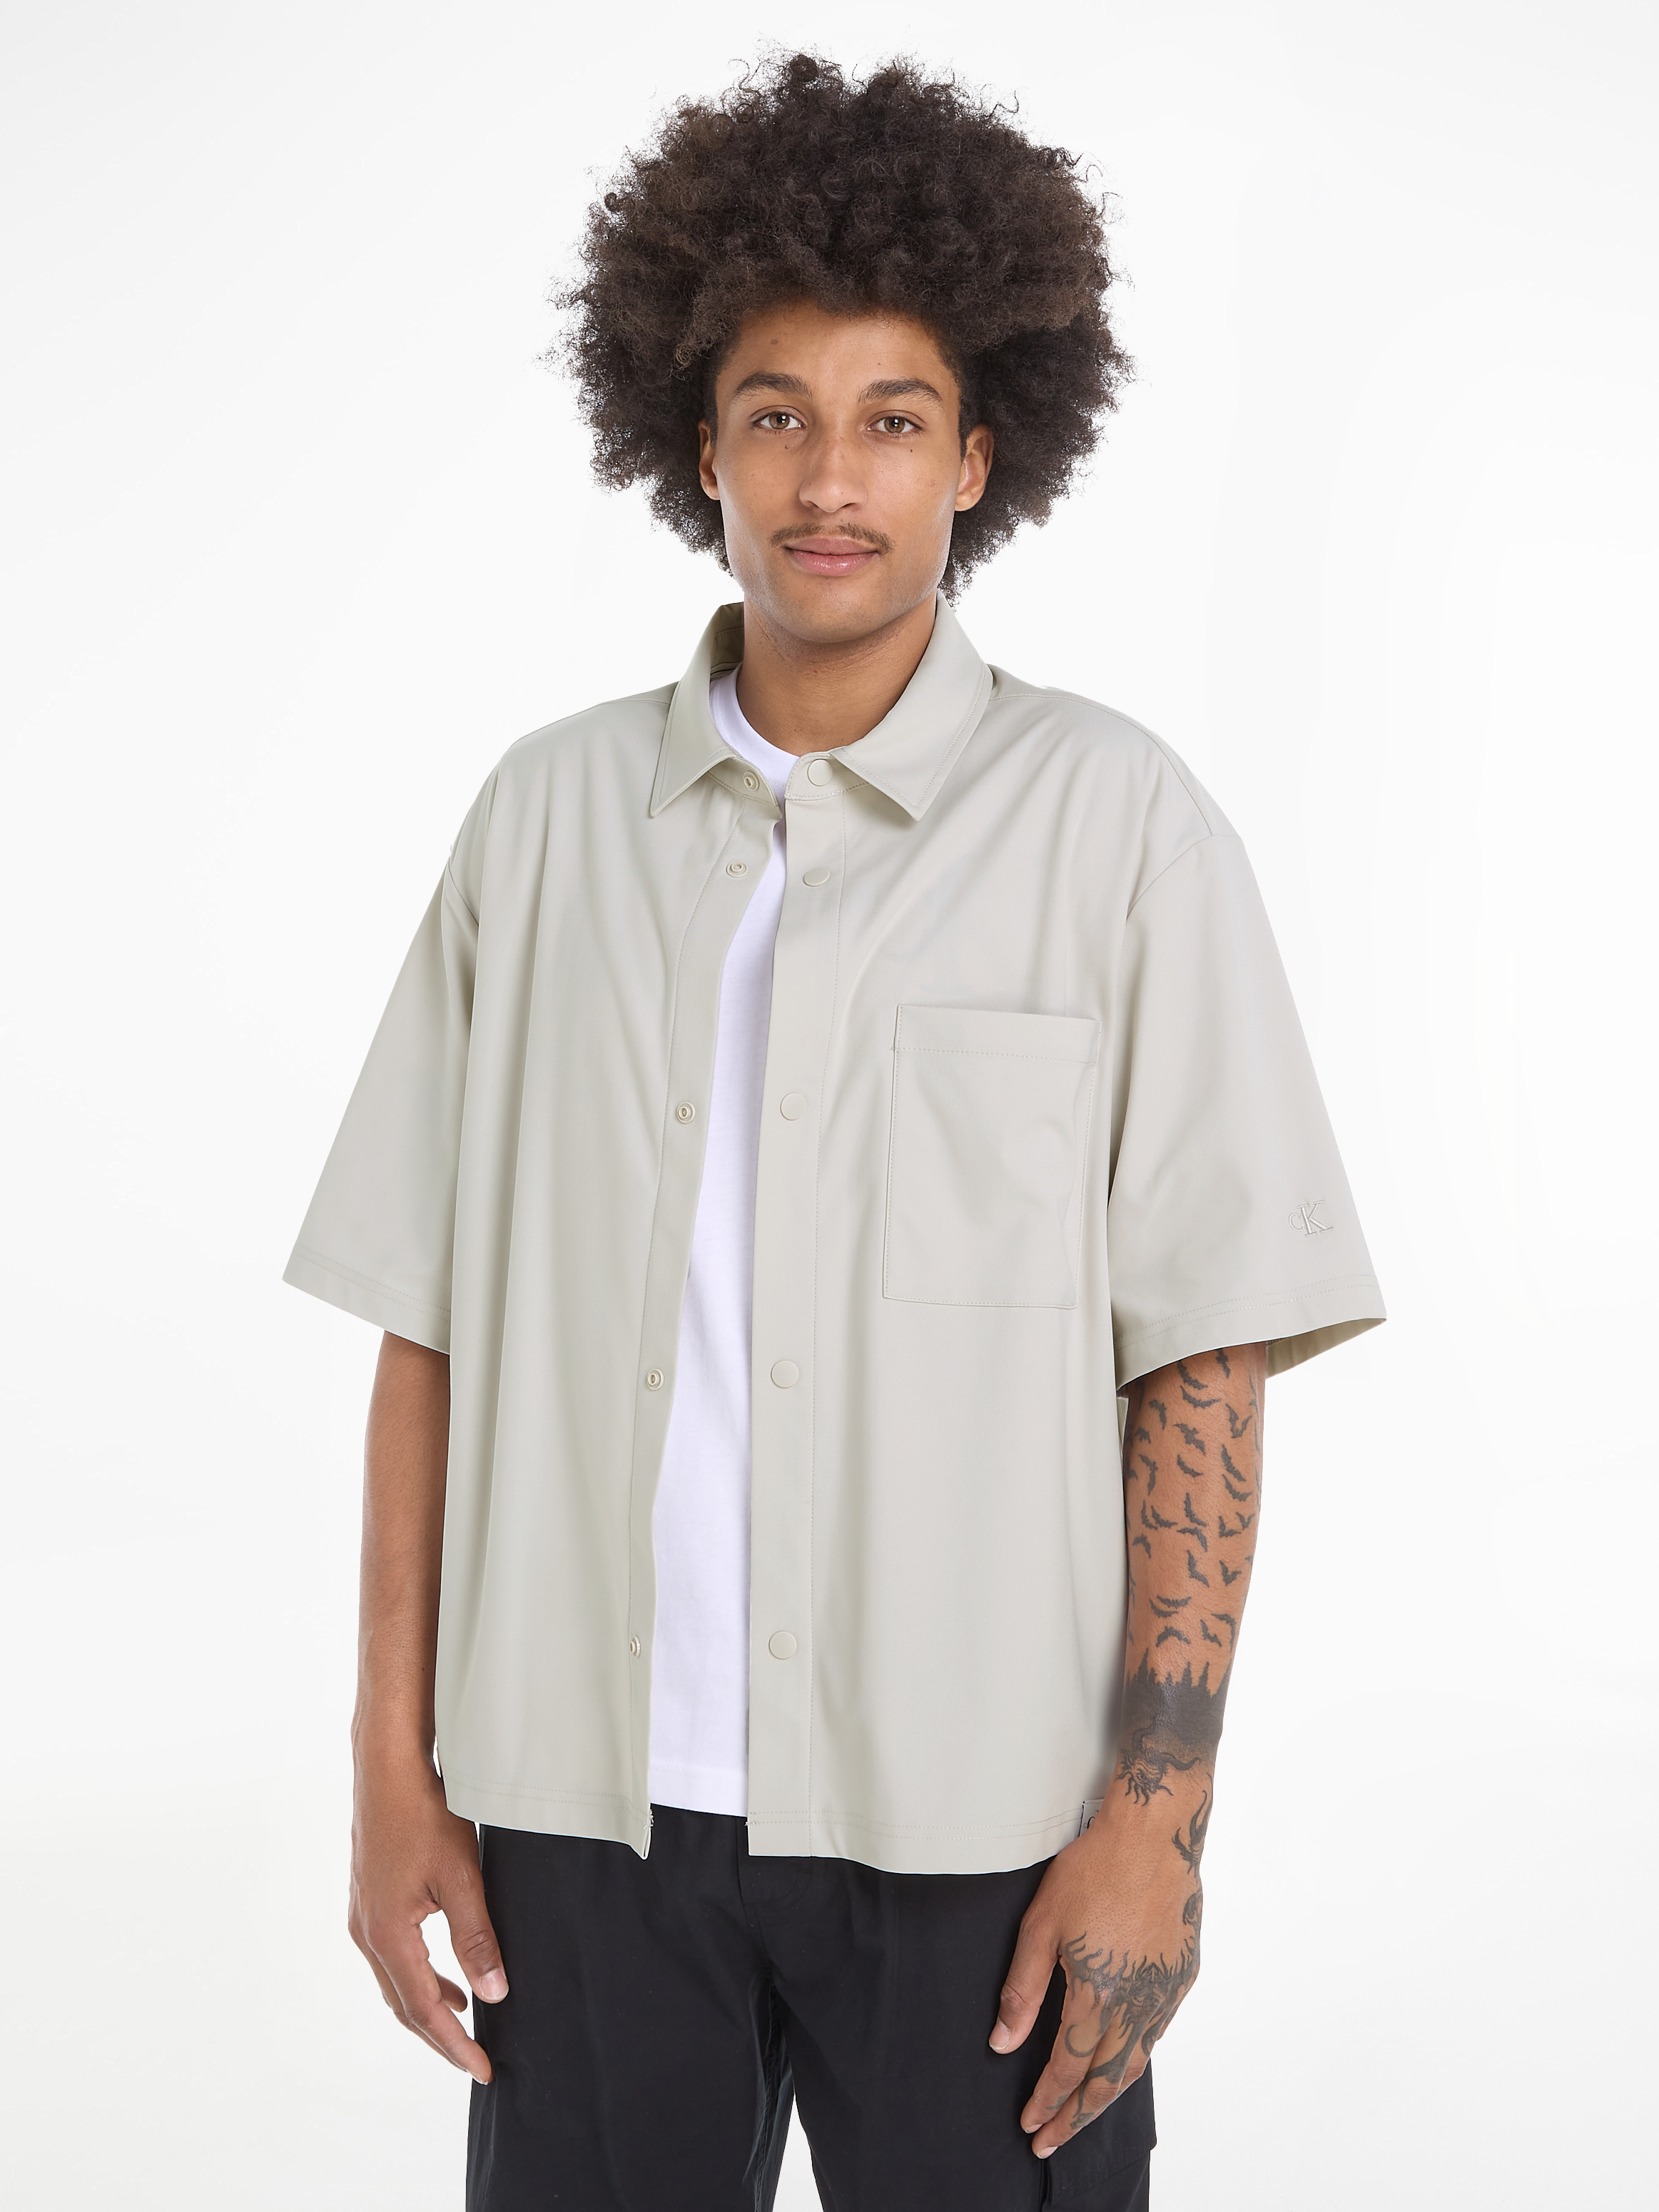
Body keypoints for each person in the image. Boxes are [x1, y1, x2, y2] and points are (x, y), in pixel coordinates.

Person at [285, 52, 1385, 2212]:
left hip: (983, 1836)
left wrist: (1157, 1822)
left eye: (893, 419)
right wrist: (388, 1771)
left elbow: (1205, 1354)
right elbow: (428, 1325)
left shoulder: (1121, 828)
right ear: (698, 447)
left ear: (979, 457)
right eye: (777, 414)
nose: (830, 478)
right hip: (584, 1818)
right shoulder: (543, 824)